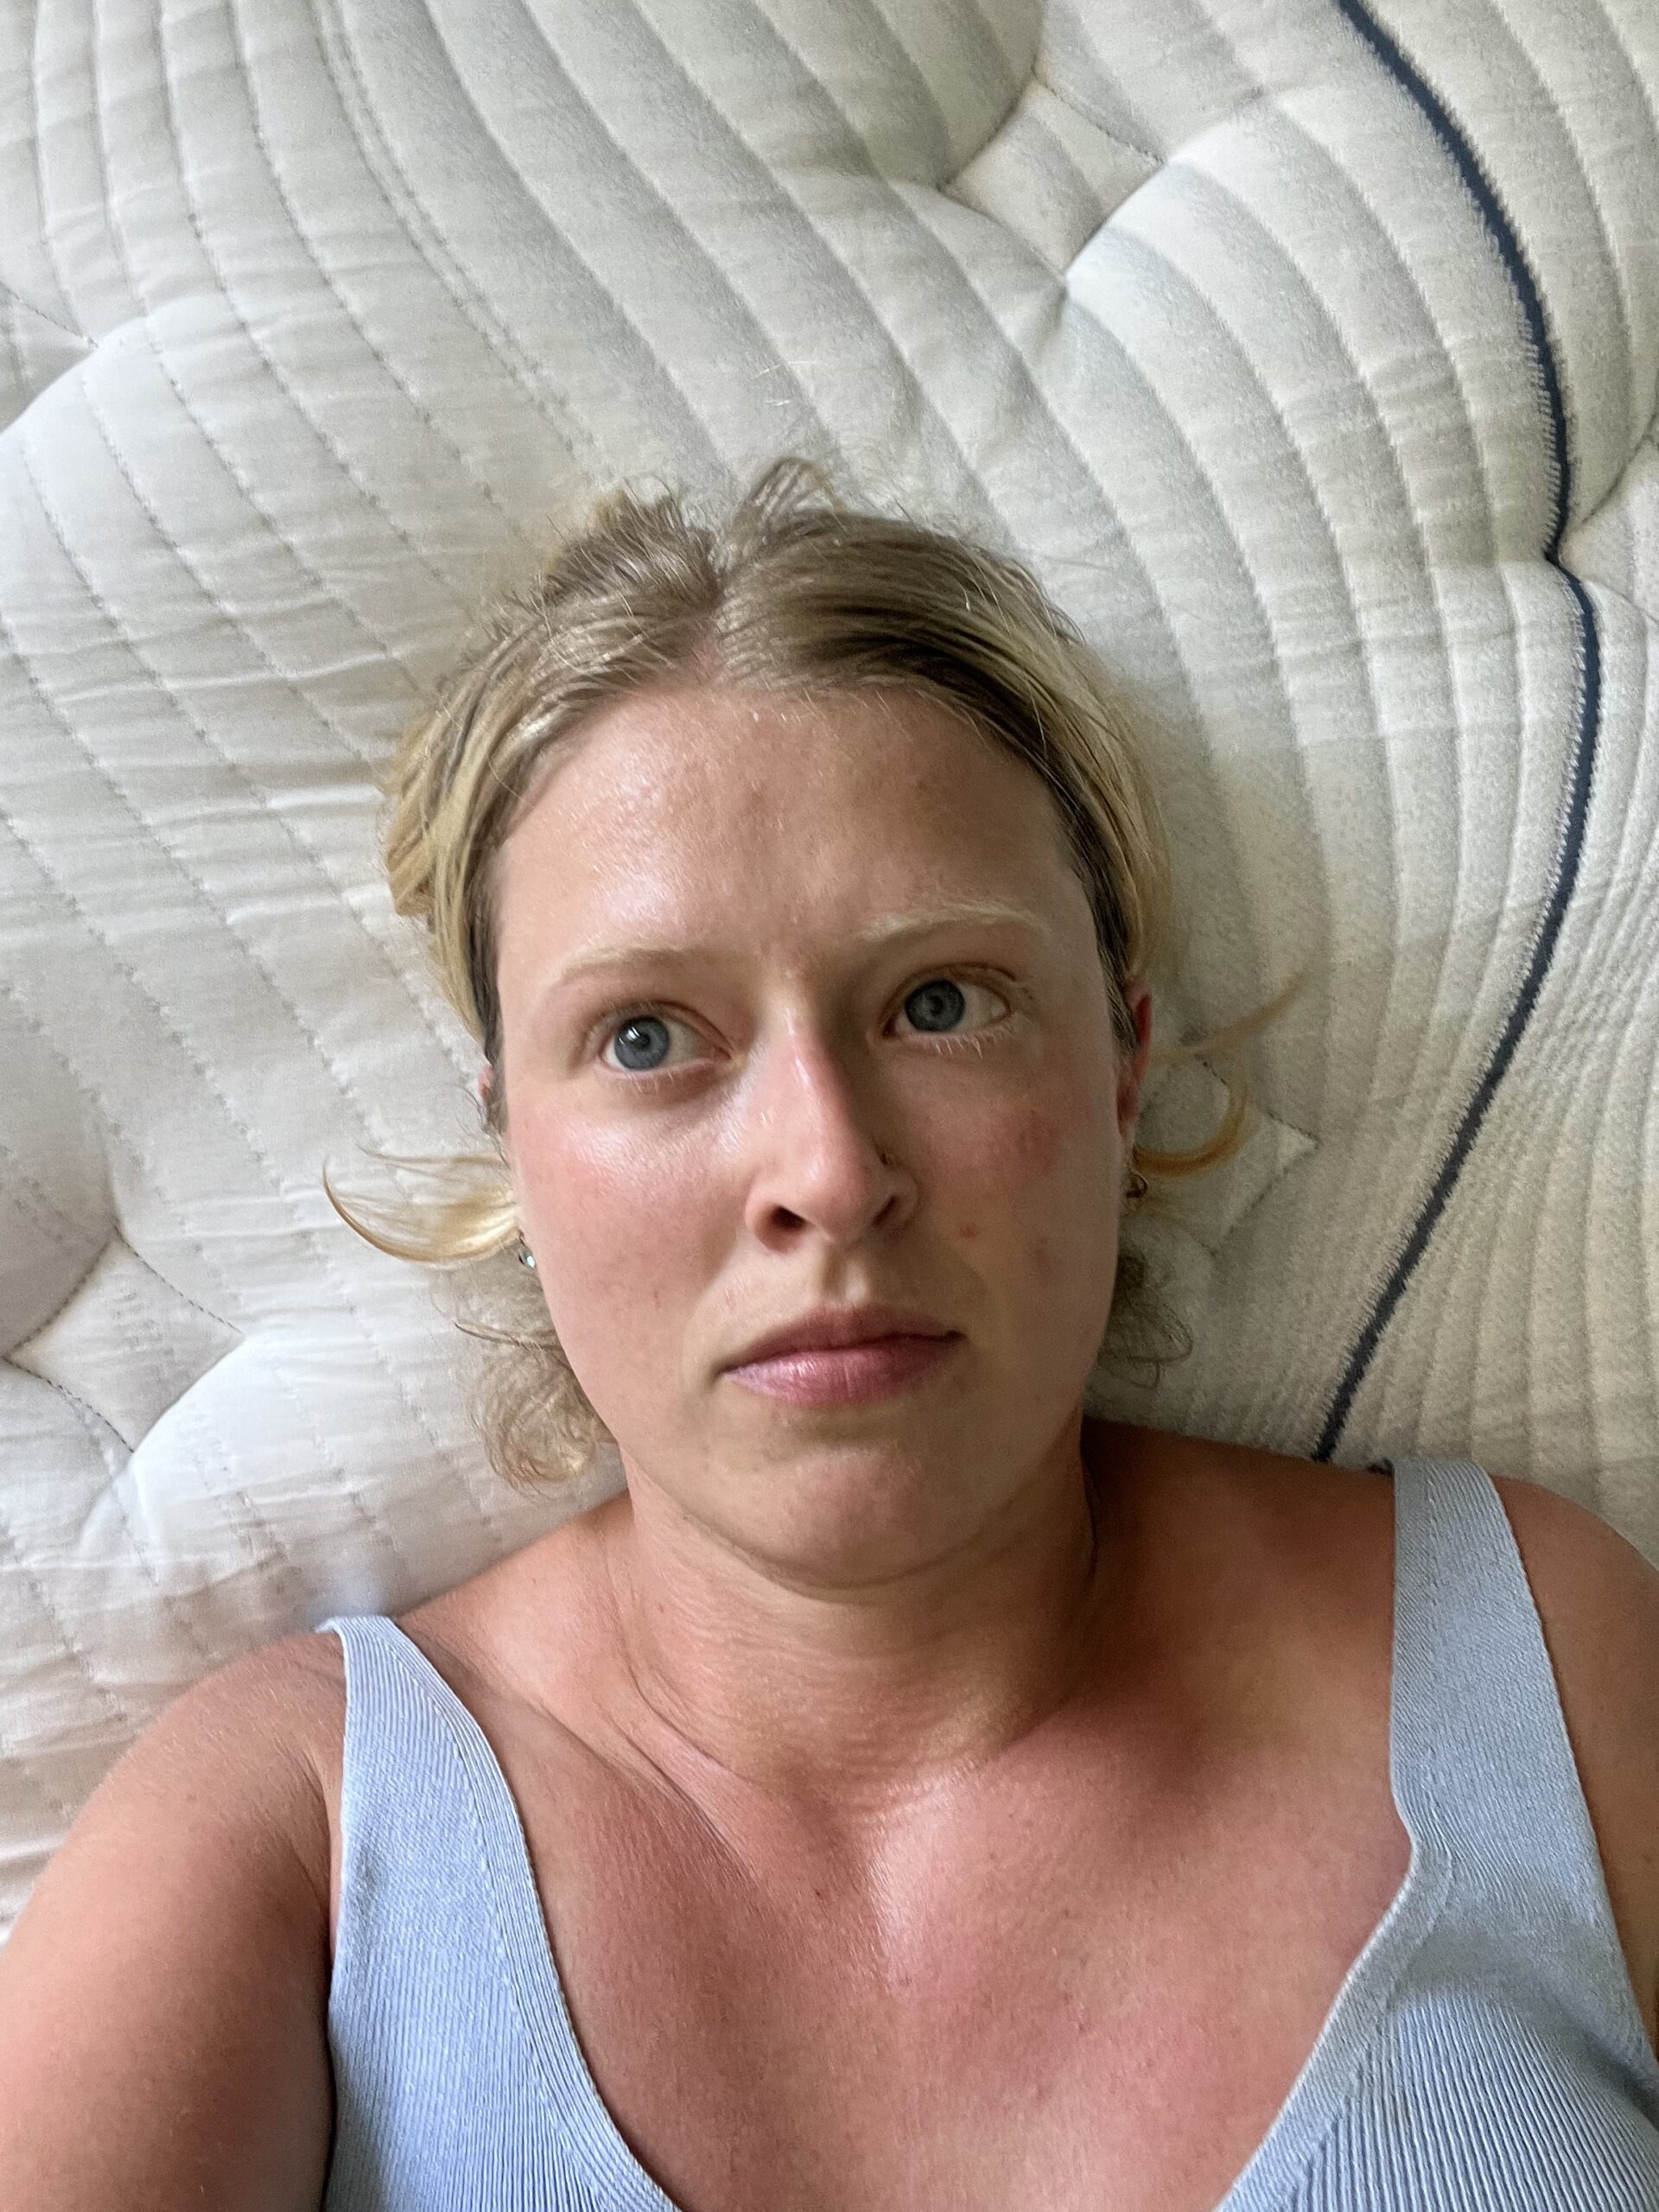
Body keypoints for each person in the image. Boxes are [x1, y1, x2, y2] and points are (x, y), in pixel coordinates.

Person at [3, 459, 1658, 2212]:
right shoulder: (298, 1836)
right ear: (513, 1133)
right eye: (650, 1038)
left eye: (942, 1001)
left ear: (1120, 1059)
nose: (830, 1169)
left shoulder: (1542, 1662)